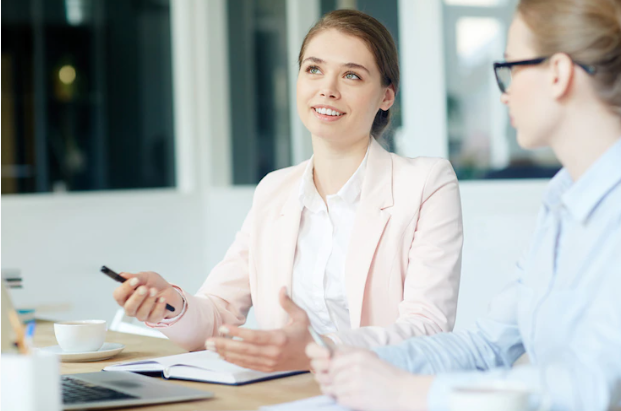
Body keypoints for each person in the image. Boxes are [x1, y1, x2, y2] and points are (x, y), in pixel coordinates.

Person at [307, 0, 621, 409]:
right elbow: (487, 346)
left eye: (511, 68)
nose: (504, 94)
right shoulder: (562, 201)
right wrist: (356, 361)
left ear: (558, 74)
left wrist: (410, 393)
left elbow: (597, 390)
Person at [111, 9, 464, 372]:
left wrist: (319, 349)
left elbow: (428, 327)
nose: (328, 88)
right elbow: (218, 315)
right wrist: (170, 304)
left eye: (352, 75)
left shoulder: (425, 183)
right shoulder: (275, 190)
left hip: (381, 391)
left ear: (386, 97)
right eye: (314, 69)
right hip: (285, 394)